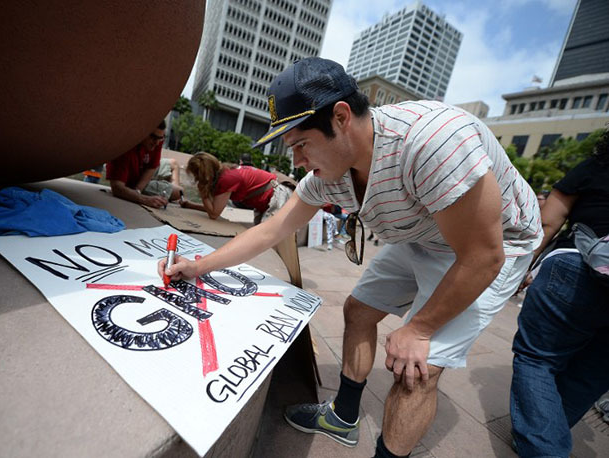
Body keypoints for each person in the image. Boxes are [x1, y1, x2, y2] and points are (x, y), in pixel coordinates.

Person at [159, 58, 541, 457]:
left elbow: (483, 255)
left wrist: (420, 329)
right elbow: (272, 229)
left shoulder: (431, 142)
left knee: (415, 369)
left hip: (491, 245)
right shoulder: (331, 172)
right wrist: (198, 266)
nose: (297, 163)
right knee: (359, 310)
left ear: (341, 117)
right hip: (424, 232)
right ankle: (343, 416)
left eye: (301, 144)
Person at [509, 128, 609, 457]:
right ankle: (540, 438)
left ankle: (544, 447)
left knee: (537, 359)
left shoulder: (595, 166)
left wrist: (520, 269)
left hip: (575, 268)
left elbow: (548, 223)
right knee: (594, 373)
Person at [180, 152, 292, 224]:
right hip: (270, 197)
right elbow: (215, 207)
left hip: (277, 196)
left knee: (268, 237)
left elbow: (214, 214)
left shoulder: (226, 179)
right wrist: (191, 205)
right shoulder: (224, 173)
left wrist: (202, 191)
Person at [106, 120, 183, 208]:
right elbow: (117, 187)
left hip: (142, 174)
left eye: (161, 138)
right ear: (142, 132)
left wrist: (138, 190)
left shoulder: (157, 141)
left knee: (174, 164)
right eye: (154, 138)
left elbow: (152, 167)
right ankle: (166, 191)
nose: (157, 143)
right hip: (131, 182)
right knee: (179, 192)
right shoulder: (125, 147)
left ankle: (168, 191)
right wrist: (142, 198)